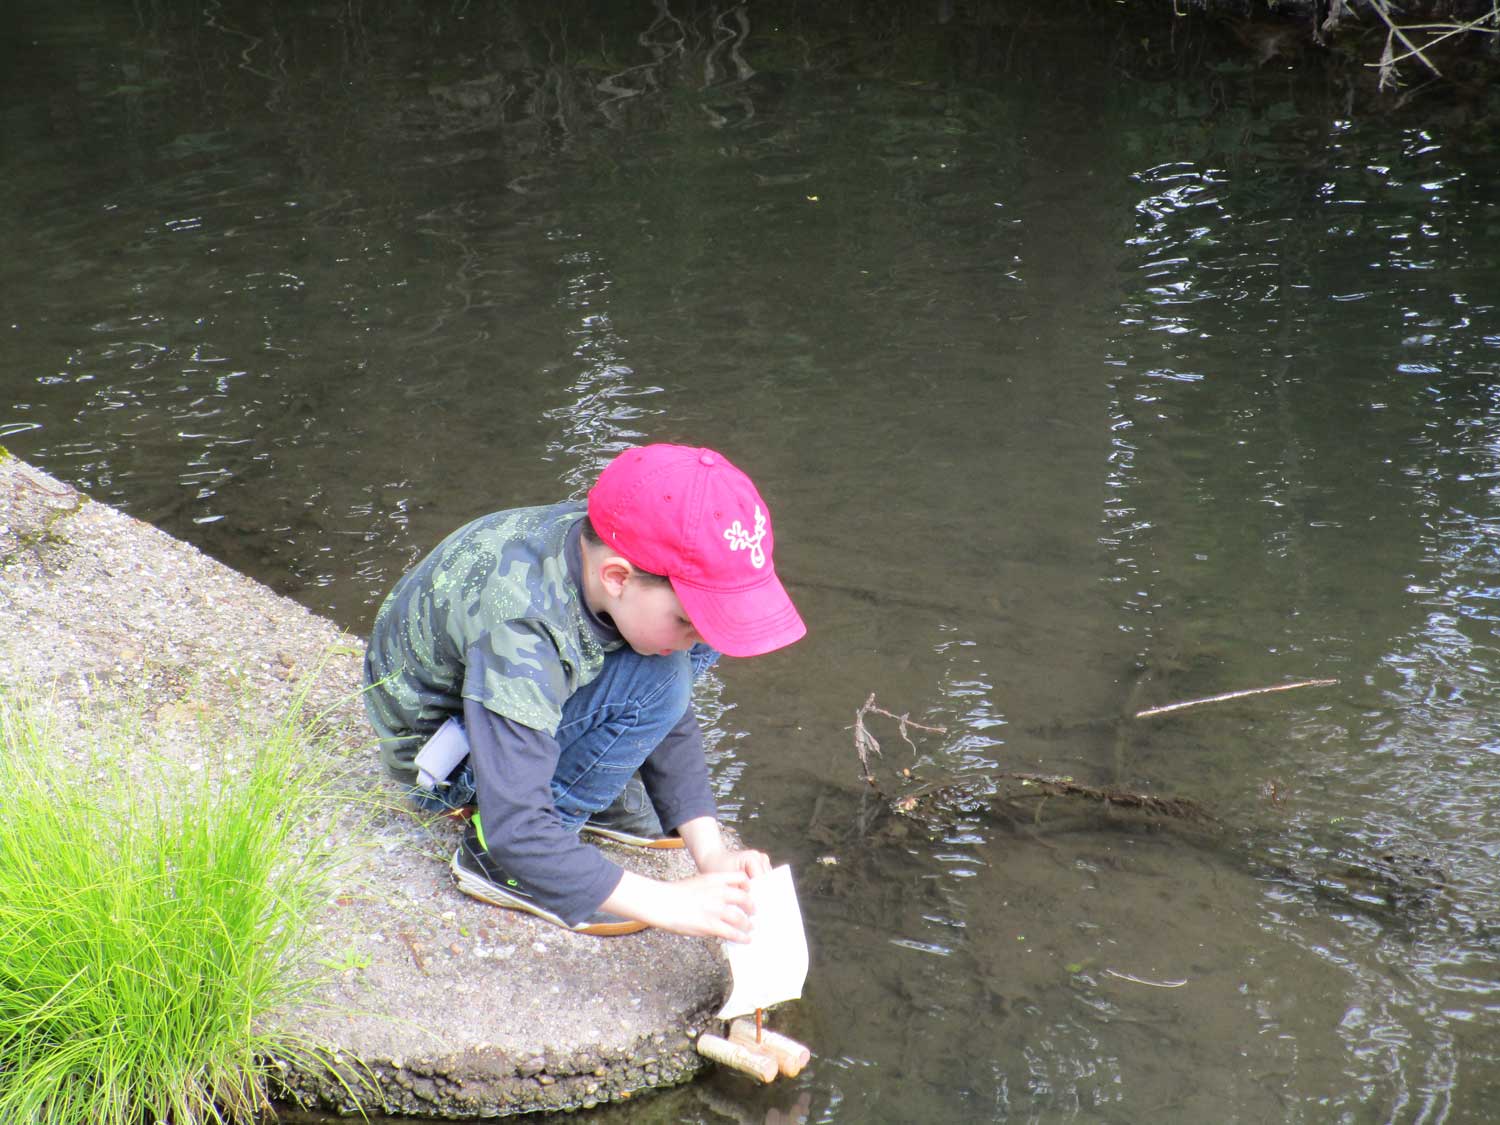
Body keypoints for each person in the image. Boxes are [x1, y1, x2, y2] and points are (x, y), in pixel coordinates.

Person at [362, 444, 806, 940]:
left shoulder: (606, 550)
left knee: (692, 646)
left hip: (499, 707)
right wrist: (666, 901)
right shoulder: (523, 624)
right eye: (684, 617)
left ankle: (592, 779)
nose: (693, 633)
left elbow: (673, 689)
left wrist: (711, 851)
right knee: (659, 675)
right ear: (616, 577)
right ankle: (498, 866)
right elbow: (519, 827)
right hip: (440, 759)